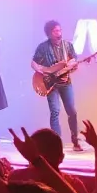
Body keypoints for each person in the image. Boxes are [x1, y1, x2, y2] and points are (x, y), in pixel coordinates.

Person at [31, 20, 81, 150]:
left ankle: (75, 140)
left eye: (60, 30)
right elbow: (34, 63)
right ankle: (57, 144)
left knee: (72, 111)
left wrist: (72, 64)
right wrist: (41, 70)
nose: (59, 33)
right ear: (49, 33)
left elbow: (74, 59)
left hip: (65, 83)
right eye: (55, 31)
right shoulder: (43, 47)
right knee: (55, 112)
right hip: (51, 85)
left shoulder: (68, 45)